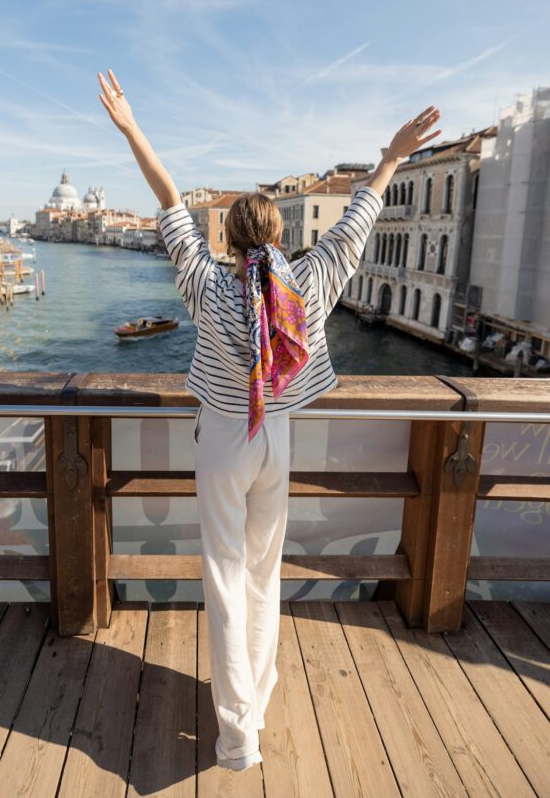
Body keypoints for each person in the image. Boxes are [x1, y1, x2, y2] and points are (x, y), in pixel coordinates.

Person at [97, 68, 441, 770]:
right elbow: (359, 218)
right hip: (275, 437)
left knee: (224, 578)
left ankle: (236, 739)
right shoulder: (308, 284)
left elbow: (166, 200)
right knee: (263, 574)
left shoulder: (203, 283)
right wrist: (392, 155)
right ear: (280, 234)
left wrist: (130, 127)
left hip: (223, 438)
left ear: (224, 236)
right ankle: (254, 706)